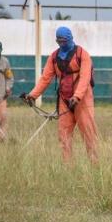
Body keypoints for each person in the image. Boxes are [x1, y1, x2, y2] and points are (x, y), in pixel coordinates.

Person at [25, 26, 98, 162]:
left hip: (82, 101)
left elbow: (85, 77)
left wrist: (77, 96)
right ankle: (67, 167)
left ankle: (94, 166)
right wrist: (33, 95)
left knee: (89, 134)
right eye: (59, 41)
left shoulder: (82, 54)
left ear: (70, 39)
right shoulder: (54, 57)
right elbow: (45, 78)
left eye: (64, 40)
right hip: (64, 100)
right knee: (64, 136)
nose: (61, 43)